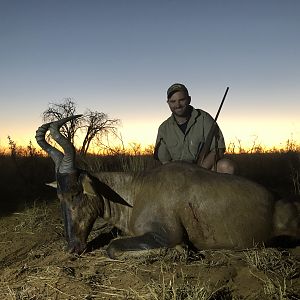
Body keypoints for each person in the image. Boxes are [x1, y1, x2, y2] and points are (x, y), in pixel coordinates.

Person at [154, 83, 236, 174]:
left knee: (226, 166)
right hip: (178, 175)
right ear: (168, 103)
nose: (178, 105)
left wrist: (198, 171)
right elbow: (165, 161)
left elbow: (218, 149)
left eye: (181, 100)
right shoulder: (163, 128)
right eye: (173, 101)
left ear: (189, 99)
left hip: (204, 170)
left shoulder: (204, 118)